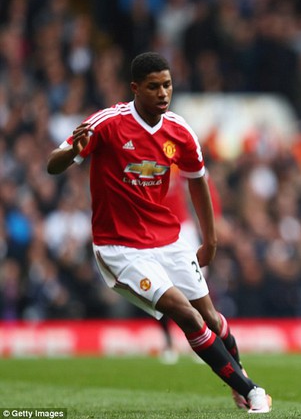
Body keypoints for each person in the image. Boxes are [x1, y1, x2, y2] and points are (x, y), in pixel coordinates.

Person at [47, 52, 271, 414]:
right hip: (120, 247)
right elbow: (52, 166)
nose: (163, 93)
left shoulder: (179, 131)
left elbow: (198, 180)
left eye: (167, 85)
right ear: (135, 89)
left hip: (168, 239)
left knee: (211, 318)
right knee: (185, 314)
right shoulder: (107, 123)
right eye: (154, 87)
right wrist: (72, 148)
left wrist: (210, 239)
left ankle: (238, 377)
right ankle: (251, 389)